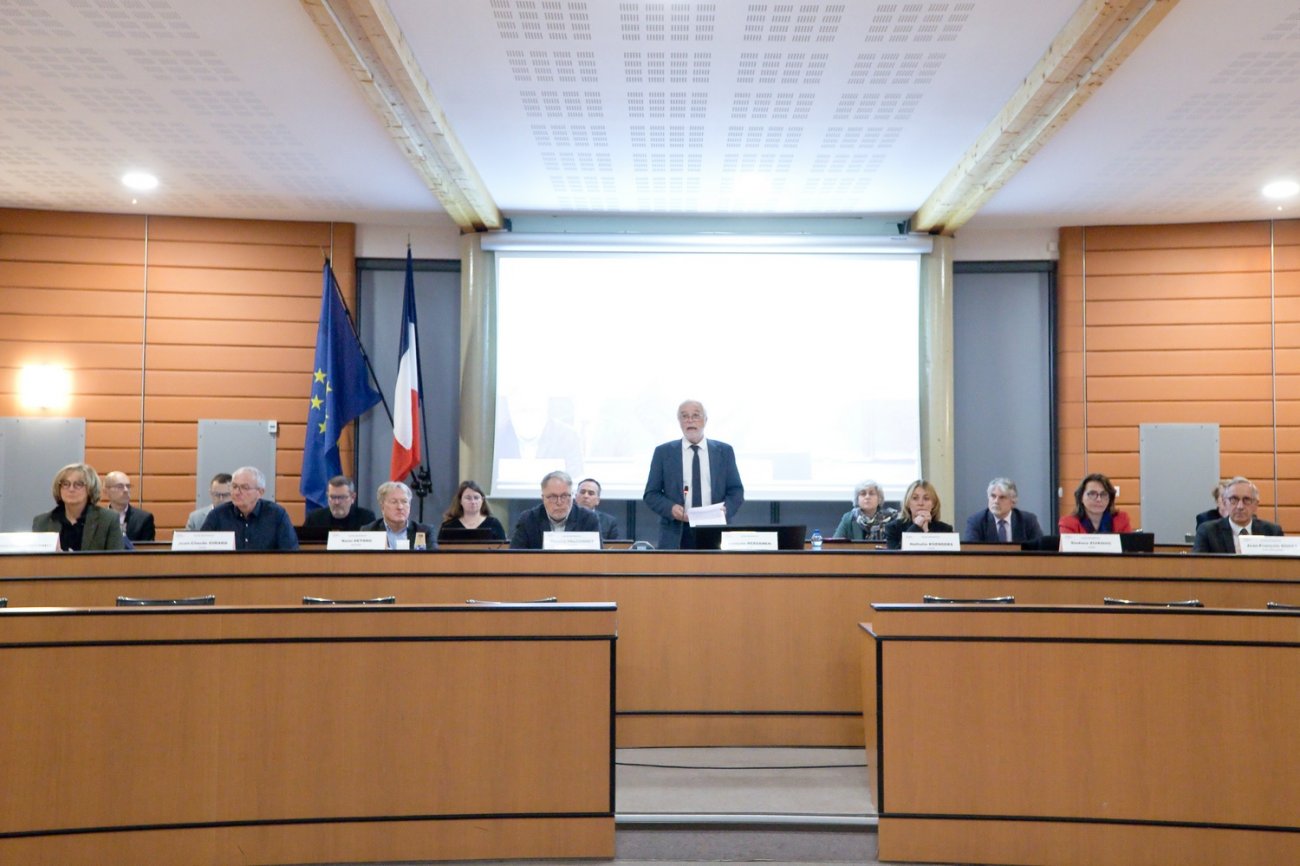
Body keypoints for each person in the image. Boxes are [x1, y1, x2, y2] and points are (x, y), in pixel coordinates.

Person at [643, 400, 745, 550]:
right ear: (679, 421)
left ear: (705, 420)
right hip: (677, 531)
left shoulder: (724, 451)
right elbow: (651, 494)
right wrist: (671, 508)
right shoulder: (663, 453)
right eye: (684, 416)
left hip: (715, 529)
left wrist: (726, 509)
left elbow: (736, 491)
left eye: (695, 415)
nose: (690, 420)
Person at [200, 466, 299, 550]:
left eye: (244, 487)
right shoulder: (217, 515)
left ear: (260, 492)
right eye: (234, 487)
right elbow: (201, 551)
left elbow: (290, 553)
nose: (237, 492)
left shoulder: (277, 515)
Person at [32, 463, 125, 552]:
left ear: (90, 488)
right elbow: (36, 561)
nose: (71, 489)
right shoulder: (42, 522)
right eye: (65, 484)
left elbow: (116, 560)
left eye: (78, 484)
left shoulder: (108, 519)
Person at [511, 470, 602, 549]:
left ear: (572, 496)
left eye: (564, 496)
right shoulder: (528, 519)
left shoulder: (588, 519)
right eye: (553, 497)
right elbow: (515, 556)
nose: (559, 502)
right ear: (543, 498)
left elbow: (597, 558)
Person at [1192, 476, 1283, 553]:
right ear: (1224, 503)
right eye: (1233, 499)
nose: (1240, 506)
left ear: (1256, 505)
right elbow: (1198, 565)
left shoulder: (1272, 532)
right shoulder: (1208, 532)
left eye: (1247, 500)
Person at [962, 477, 1043, 543]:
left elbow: (1040, 549)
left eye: (1002, 497)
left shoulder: (1028, 521)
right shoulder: (976, 521)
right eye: (993, 496)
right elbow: (970, 551)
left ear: (1013, 502)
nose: (996, 501)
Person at [362, 481, 437, 550]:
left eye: (404, 501)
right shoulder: (369, 531)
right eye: (394, 502)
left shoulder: (424, 531)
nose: (400, 507)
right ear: (382, 507)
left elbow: (433, 558)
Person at [884, 479, 954, 549]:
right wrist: (916, 526)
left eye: (926, 498)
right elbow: (897, 554)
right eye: (915, 498)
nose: (920, 503)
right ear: (908, 503)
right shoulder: (893, 528)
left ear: (933, 504)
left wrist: (927, 531)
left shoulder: (946, 530)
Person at [1058, 472, 1132, 534]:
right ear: (1081, 497)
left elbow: (1128, 546)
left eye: (1103, 494)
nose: (1099, 499)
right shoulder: (1068, 523)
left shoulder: (1121, 520)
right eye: (1092, 494)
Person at [831, 479, 897, 542]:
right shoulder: (849, 518)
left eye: (871, 493)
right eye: (863, 494)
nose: (867, 497)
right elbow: (835, 544)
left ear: (879, 498)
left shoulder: (890, 518)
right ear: (857, 499)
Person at [303, 475, 376, 531]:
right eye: (333, 497)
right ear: (327, 496)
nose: (337, 502)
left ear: (353, 497)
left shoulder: (366, 518)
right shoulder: (314, 519)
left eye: (342, 497)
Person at [438, 480, 506, 540]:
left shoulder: (493, 524)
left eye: (476, 498)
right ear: (460, 501)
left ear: (482, 500)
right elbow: (439, 549)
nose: (473, 502)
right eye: (468, 498)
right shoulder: (448, 526)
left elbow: (503, 548)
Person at [102, 470, 156, 542]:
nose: (126, 490)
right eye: (120, 486)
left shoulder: (144, 519)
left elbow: (147, 548)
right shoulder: (97, 518)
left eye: (128, 486)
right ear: (106, 491)